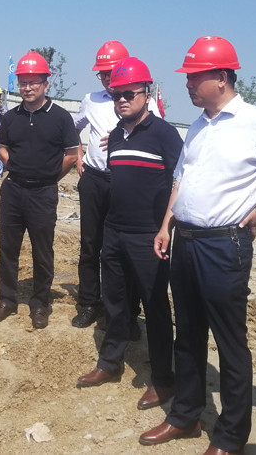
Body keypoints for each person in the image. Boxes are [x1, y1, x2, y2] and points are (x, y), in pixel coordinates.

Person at [140, 36, 256, 453]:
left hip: (223, 246)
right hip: (185, 240)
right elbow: (181, 179)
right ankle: (185, 415)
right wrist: (166, 225)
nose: (187, 84)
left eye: (194, 77)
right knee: (188, 334)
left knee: (230, 341)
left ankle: (231, 436)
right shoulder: (199, 126)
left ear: (221, 77)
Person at [75, 57, 183, 413]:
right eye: (116, 94)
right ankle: (110, 362)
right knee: (115, 301)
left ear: (146, 94)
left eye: (129, 94)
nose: (121, 100)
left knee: (154, 306)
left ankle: (163, 379)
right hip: (115, 231)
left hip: (148, 236)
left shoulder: (164, 134)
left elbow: (181, 180)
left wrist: (166, 227)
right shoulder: (116, 135)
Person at [72, 41, 161, 329]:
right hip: (95, 179)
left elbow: (156, 134)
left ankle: (127, 312)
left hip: (127, 185)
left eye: (110, 73)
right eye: (103, 74)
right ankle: (89, 302)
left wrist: (123, 135)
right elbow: (73, 128)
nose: (107, 80)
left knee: (125, 248)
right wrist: (78, 155)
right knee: (90, 244)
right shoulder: (92, 100)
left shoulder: (144, 101)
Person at [0, 50, 80, 329]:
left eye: (33, 82)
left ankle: (40, 304)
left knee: (42, 250)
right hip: (13, 191)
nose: (27, 88)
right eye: (23, 83)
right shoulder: (11, 117)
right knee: (8, 248)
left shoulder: (60, 117)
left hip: (43, 194)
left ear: (45, 84)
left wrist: (50, 177)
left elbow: (72, 154)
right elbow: (2, 147)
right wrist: (14, 166)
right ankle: (6, 300)